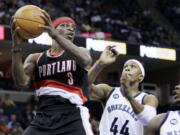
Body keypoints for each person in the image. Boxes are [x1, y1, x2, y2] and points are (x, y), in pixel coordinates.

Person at [11, 9, 93, 135]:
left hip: (72, 115)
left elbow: (86, 60)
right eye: (65, 25)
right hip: (43, 116)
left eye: (73, 28)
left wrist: (55, 34)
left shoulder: (80, 52)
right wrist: (16, 47)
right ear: (51, 28)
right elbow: (21, 82)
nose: (71, 29)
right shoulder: (36, 58)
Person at [88, 46, 158, 135]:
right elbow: (85, 87)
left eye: (133, 66)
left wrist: (129, 97)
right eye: (125, 67)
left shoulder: (148, 98)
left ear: (140, 77)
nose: (127, 68)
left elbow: (148, 118)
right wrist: (100, 64)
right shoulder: (109, 91)